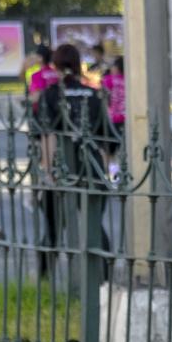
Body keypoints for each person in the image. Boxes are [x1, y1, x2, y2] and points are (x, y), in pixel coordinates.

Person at [38, 42, 112, 287]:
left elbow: (48, 135)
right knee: (93, 224)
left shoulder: (50, 93)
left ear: (55, 65)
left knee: (53, 225)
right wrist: (104, 172)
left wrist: (48, 172)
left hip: (63, 166)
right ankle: (103, 278)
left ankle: (44, 277)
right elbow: (104, 139)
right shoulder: (93, 93)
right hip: (91, 165)